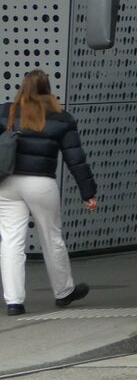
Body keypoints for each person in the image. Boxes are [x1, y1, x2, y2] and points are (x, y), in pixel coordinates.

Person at [0, 70, 97, 316]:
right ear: (48, 88)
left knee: (11, 241)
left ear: (23, 87)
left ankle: (14, 301)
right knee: (51, 237)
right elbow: (76, 159)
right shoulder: (61, 118)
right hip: (40, 183)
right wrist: (88, 192)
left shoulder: (6, 111)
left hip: (8, 182)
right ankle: (64, 292)